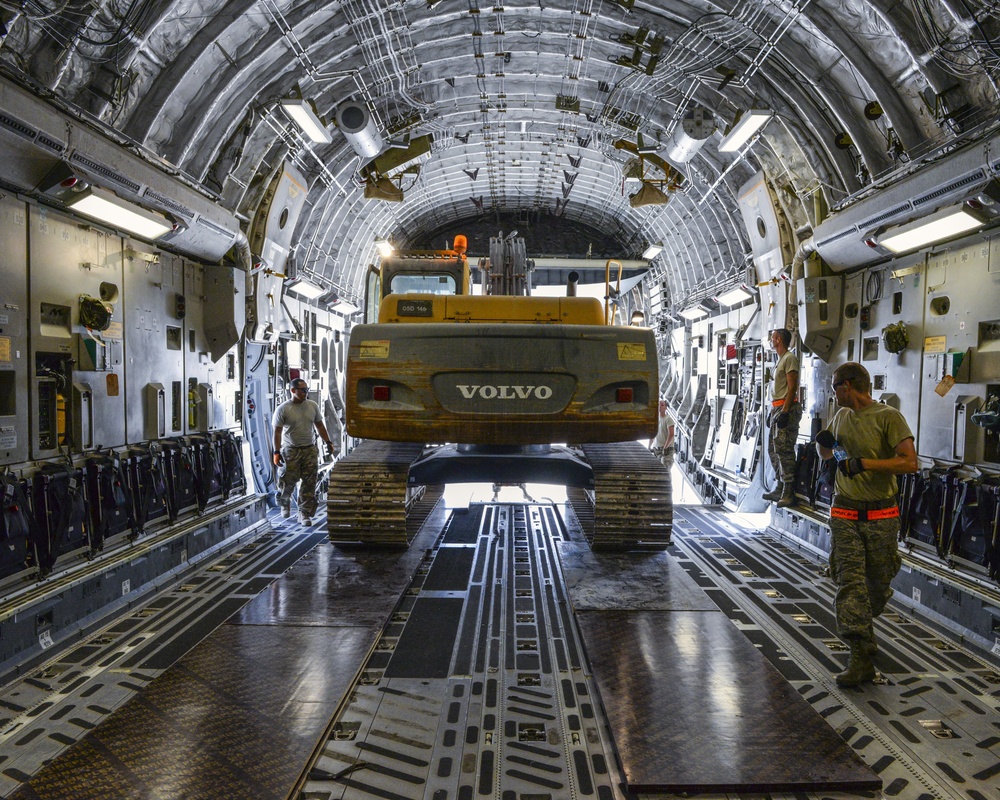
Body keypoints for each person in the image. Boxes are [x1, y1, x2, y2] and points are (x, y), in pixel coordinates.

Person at [815, 362, 917, 687]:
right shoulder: (841, 416)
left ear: (848, 386)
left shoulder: (888, 417)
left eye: (835, 387)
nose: (833, 393)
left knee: (876, 584)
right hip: (844, 512)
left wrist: (866, 464)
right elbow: (828, 455)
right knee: (850, 583)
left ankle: (862, 629)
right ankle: (860, 656)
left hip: (881, 515)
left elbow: (910, 462)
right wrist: (825, 442)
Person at [272, 378, 334, 525]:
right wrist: (276, 452)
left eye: (307, 389)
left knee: (309, 482)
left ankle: (304, 512)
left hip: (309, 449)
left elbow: (319, 426)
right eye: (303, 390)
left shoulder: (312, 406)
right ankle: (285, 503)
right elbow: (277, 432)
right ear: (293, 390)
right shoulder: (283, 409)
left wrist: (328, 442)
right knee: (288, 480)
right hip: (291, 450)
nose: (306, 392)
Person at [762, 328, 801, 508]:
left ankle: (788, 490)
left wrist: (785, 412)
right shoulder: (781, 360)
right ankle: (779, 484)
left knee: (784, 450)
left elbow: (792, 387)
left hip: (787, 408)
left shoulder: (789, 358)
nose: (771, 339)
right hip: (777, 408)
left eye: (773, 337)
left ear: (778, 339)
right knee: (773, 449)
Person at [650, 399, 676, 479]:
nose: (659, 407)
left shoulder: (668, 419)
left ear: (666, 408)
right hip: (656, 450)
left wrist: (665, 447)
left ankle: (667, 489)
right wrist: (649, 446)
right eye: (658, 405)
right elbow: (652, 435)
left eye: (662, 405)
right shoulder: (655, 420)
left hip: (666, 451)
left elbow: (671, 434)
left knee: (665, 471)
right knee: (656, 473)